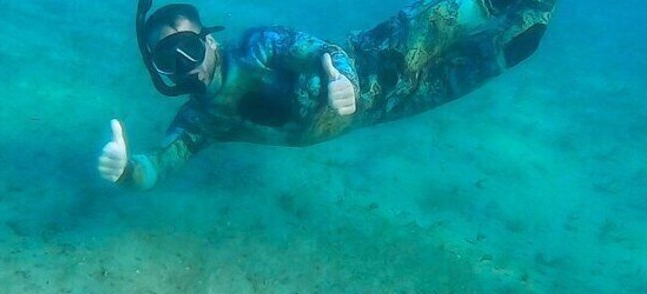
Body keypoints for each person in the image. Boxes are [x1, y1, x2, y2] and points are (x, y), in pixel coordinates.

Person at [98, 0, 556, 190]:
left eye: (189, 48)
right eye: (169, 59)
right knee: (502, 54)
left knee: (454, 13)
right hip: (383, 109)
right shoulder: (200, 121)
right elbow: (157, 166)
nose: (186, 65)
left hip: (373, 61)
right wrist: (125, 171)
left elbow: (323, 51)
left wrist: (343, 79)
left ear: (210, 41)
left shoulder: (257, 46)